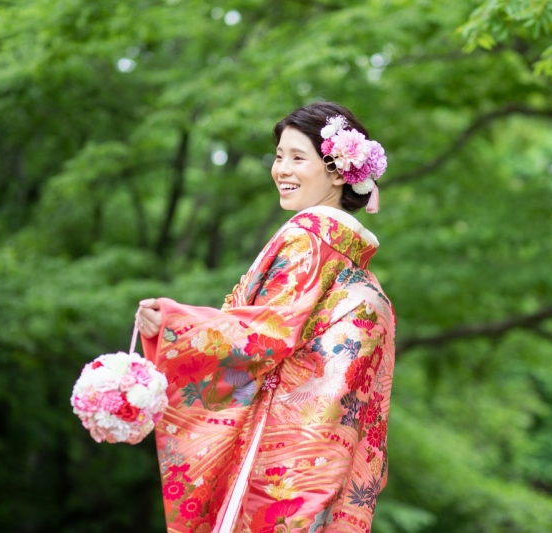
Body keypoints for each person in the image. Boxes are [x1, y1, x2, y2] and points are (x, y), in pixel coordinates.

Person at [136, 102, 395, 533]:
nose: (281, 169)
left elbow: (260, 336)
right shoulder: (363, 277)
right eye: (279, 156)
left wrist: (172, 323)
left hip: (273, 464)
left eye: (298, 157)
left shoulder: (307, 237)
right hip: (323, 473)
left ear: (336, 171)